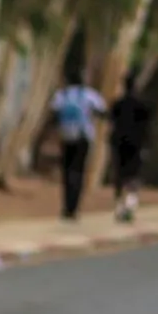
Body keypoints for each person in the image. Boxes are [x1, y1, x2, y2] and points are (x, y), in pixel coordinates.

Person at [48, 70, 107, 220]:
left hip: (66, 137)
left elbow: (53, 113)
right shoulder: (88, 95)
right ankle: (74, 208)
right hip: (83, 137)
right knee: (79, 171)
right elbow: (102, 112)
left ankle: (66, 207)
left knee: (67, 172)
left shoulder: (62, 95)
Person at [108, 77, 153, 223]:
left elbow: (111, 122)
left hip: (119, 143)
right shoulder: (142, 106)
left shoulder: (118, 104)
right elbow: (147, 127)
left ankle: (119, 206)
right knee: (134, 175)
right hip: (136, 144)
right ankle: (130, 205)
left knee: (119, 175)